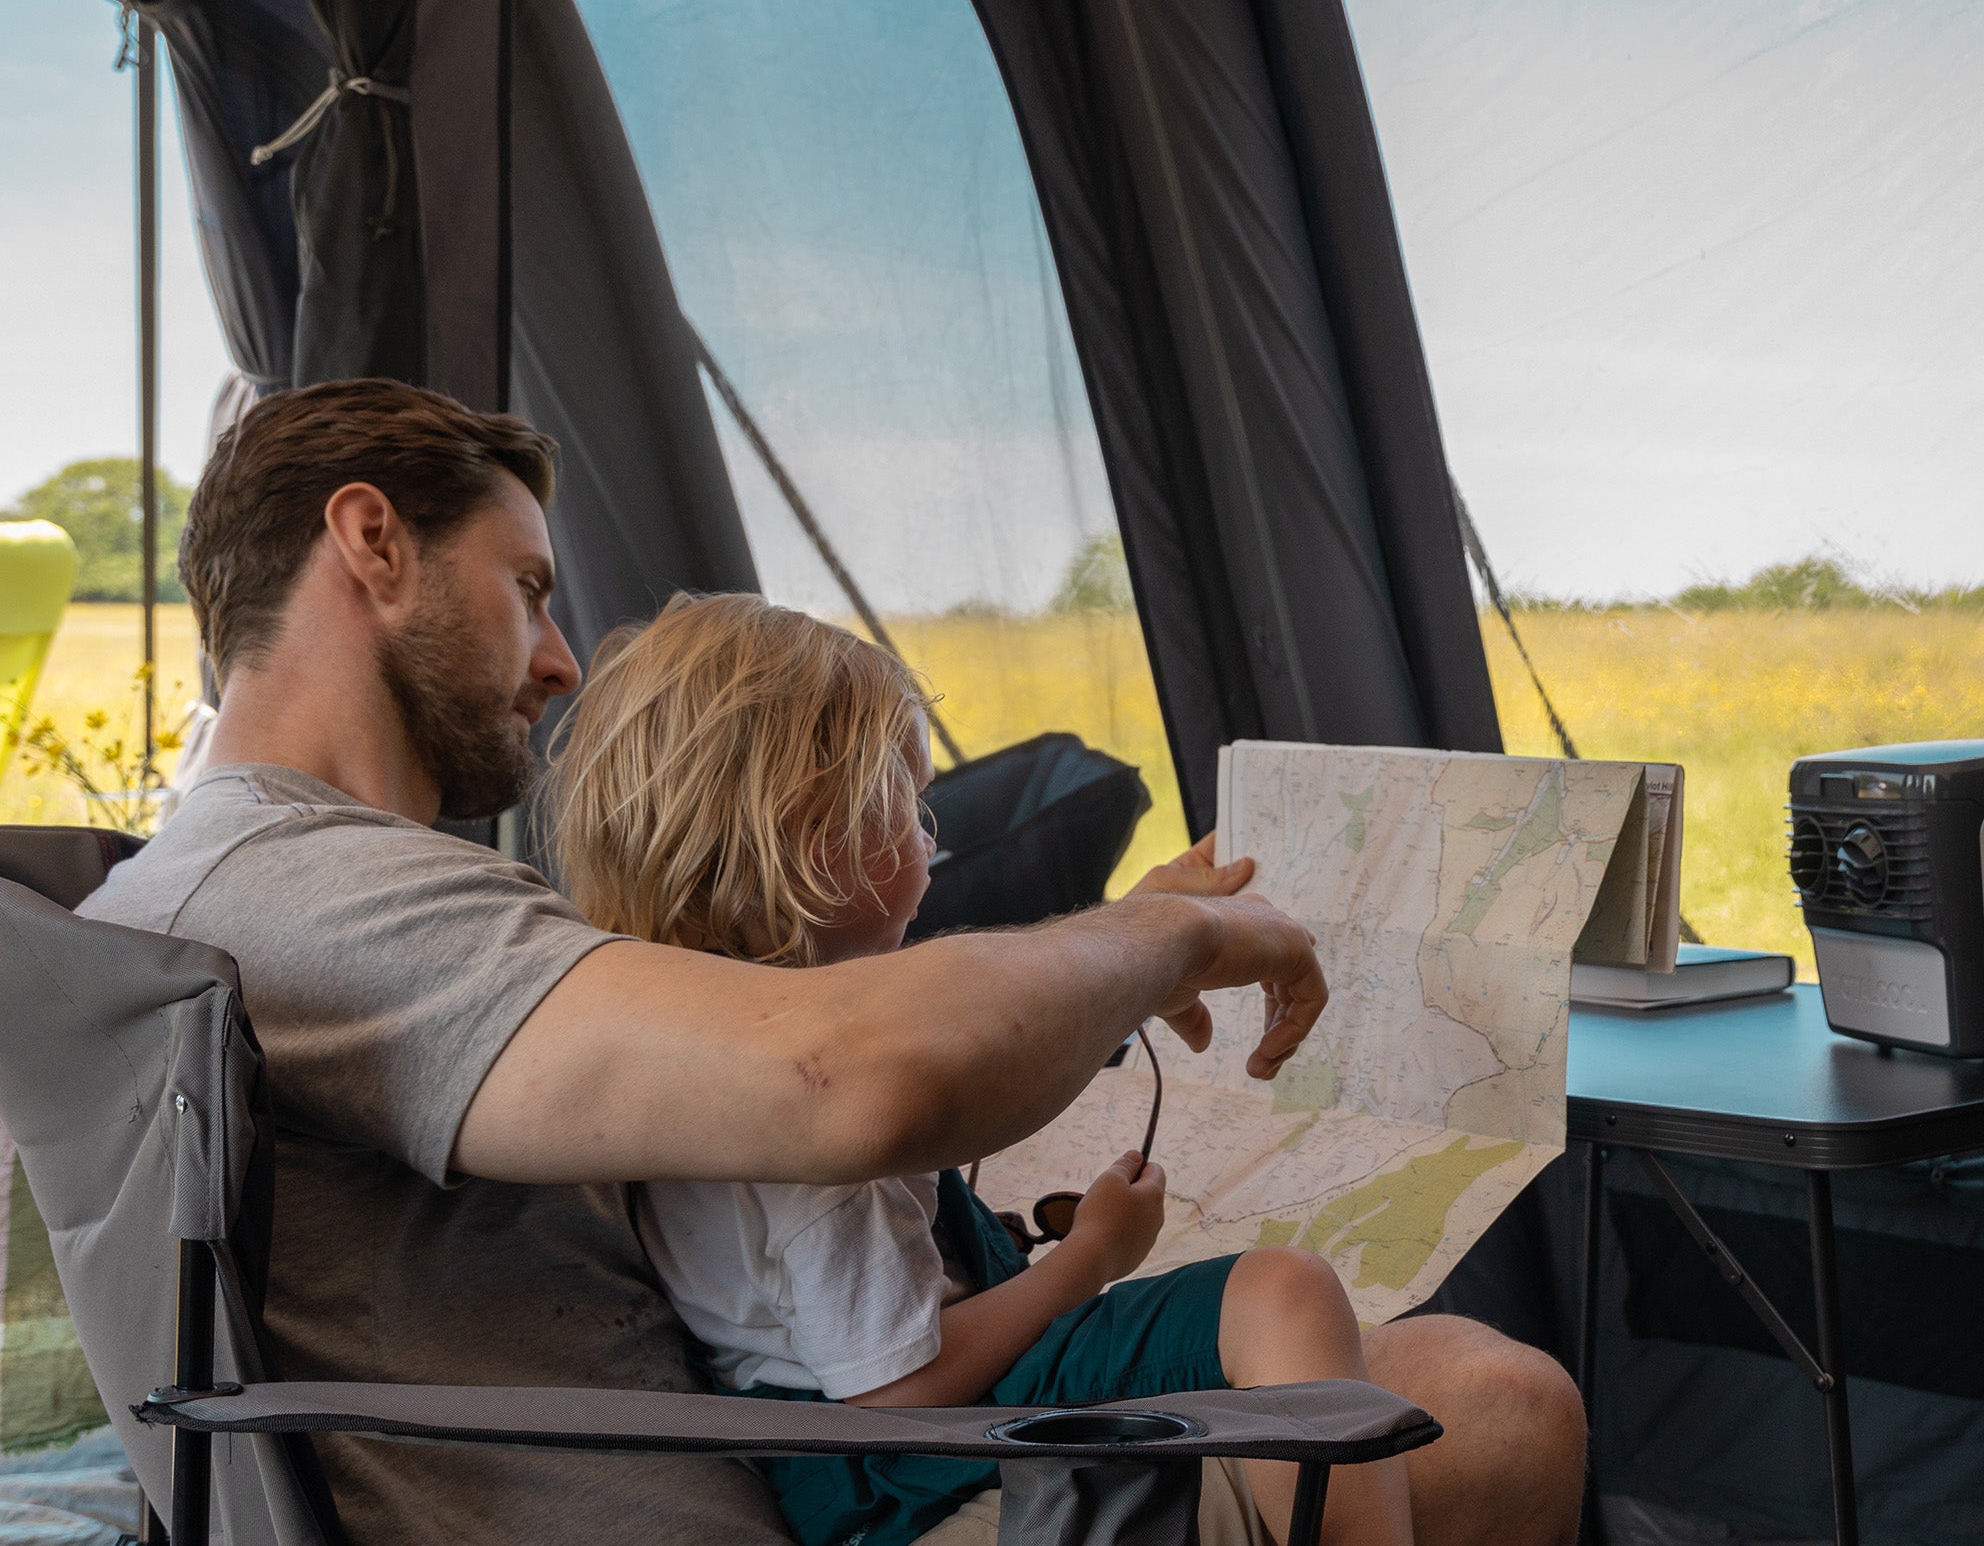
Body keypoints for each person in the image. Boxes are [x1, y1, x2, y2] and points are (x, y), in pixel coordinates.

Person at [79, 380, 1584, 1546]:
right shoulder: (306, 899)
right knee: (1491, 1404)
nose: (557, 659)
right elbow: (837, 1080)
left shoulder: (247, 886)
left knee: (1395, 1356)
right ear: (371, 544)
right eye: (528, 586)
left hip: (774, 1448)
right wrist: (1170, 935)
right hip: (802, 1488)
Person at [545, 591, 1410, 1546]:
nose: (931, 837)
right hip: (901, 1466)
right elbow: (894, 1391)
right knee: (1283, 1294)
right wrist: (1089, 1261)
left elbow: (985, 1063)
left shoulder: (694, 1033)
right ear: (803, 837)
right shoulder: (815, 1118)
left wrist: (1134, 940)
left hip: (858, 1444)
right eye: (909, 806)